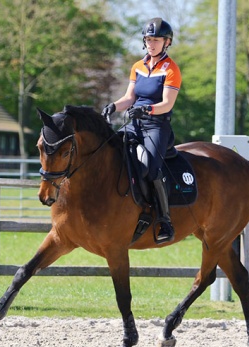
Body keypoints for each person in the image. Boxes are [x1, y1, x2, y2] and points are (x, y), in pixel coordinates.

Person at [102, 17, 182, 244]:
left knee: (150, 167)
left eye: (156, 40)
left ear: (167, 42)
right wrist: (113, 106)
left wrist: (146, 110)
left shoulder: (171, 69)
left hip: (157, 126)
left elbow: (167, 103)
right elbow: (129, 98)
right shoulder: (138, 66)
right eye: (148, 39)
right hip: (134, 123)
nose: (151, 44)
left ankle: (164, 219)